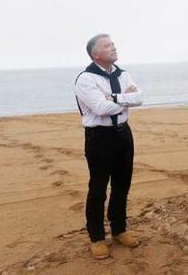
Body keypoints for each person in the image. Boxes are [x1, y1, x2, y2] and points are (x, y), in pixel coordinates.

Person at [74, 34, 143, 260]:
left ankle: (119, 229)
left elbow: (140, 98)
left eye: (113, 44)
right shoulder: (86, 79)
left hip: (123, 134)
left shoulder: (122, 74)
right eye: (107, 45)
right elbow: (100, 108)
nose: (113, 47)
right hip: (99, 137)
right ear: (96, 53)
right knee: (98, 188)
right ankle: (96, 238)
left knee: (122, 185)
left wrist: (113, 97)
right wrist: (125, 99)